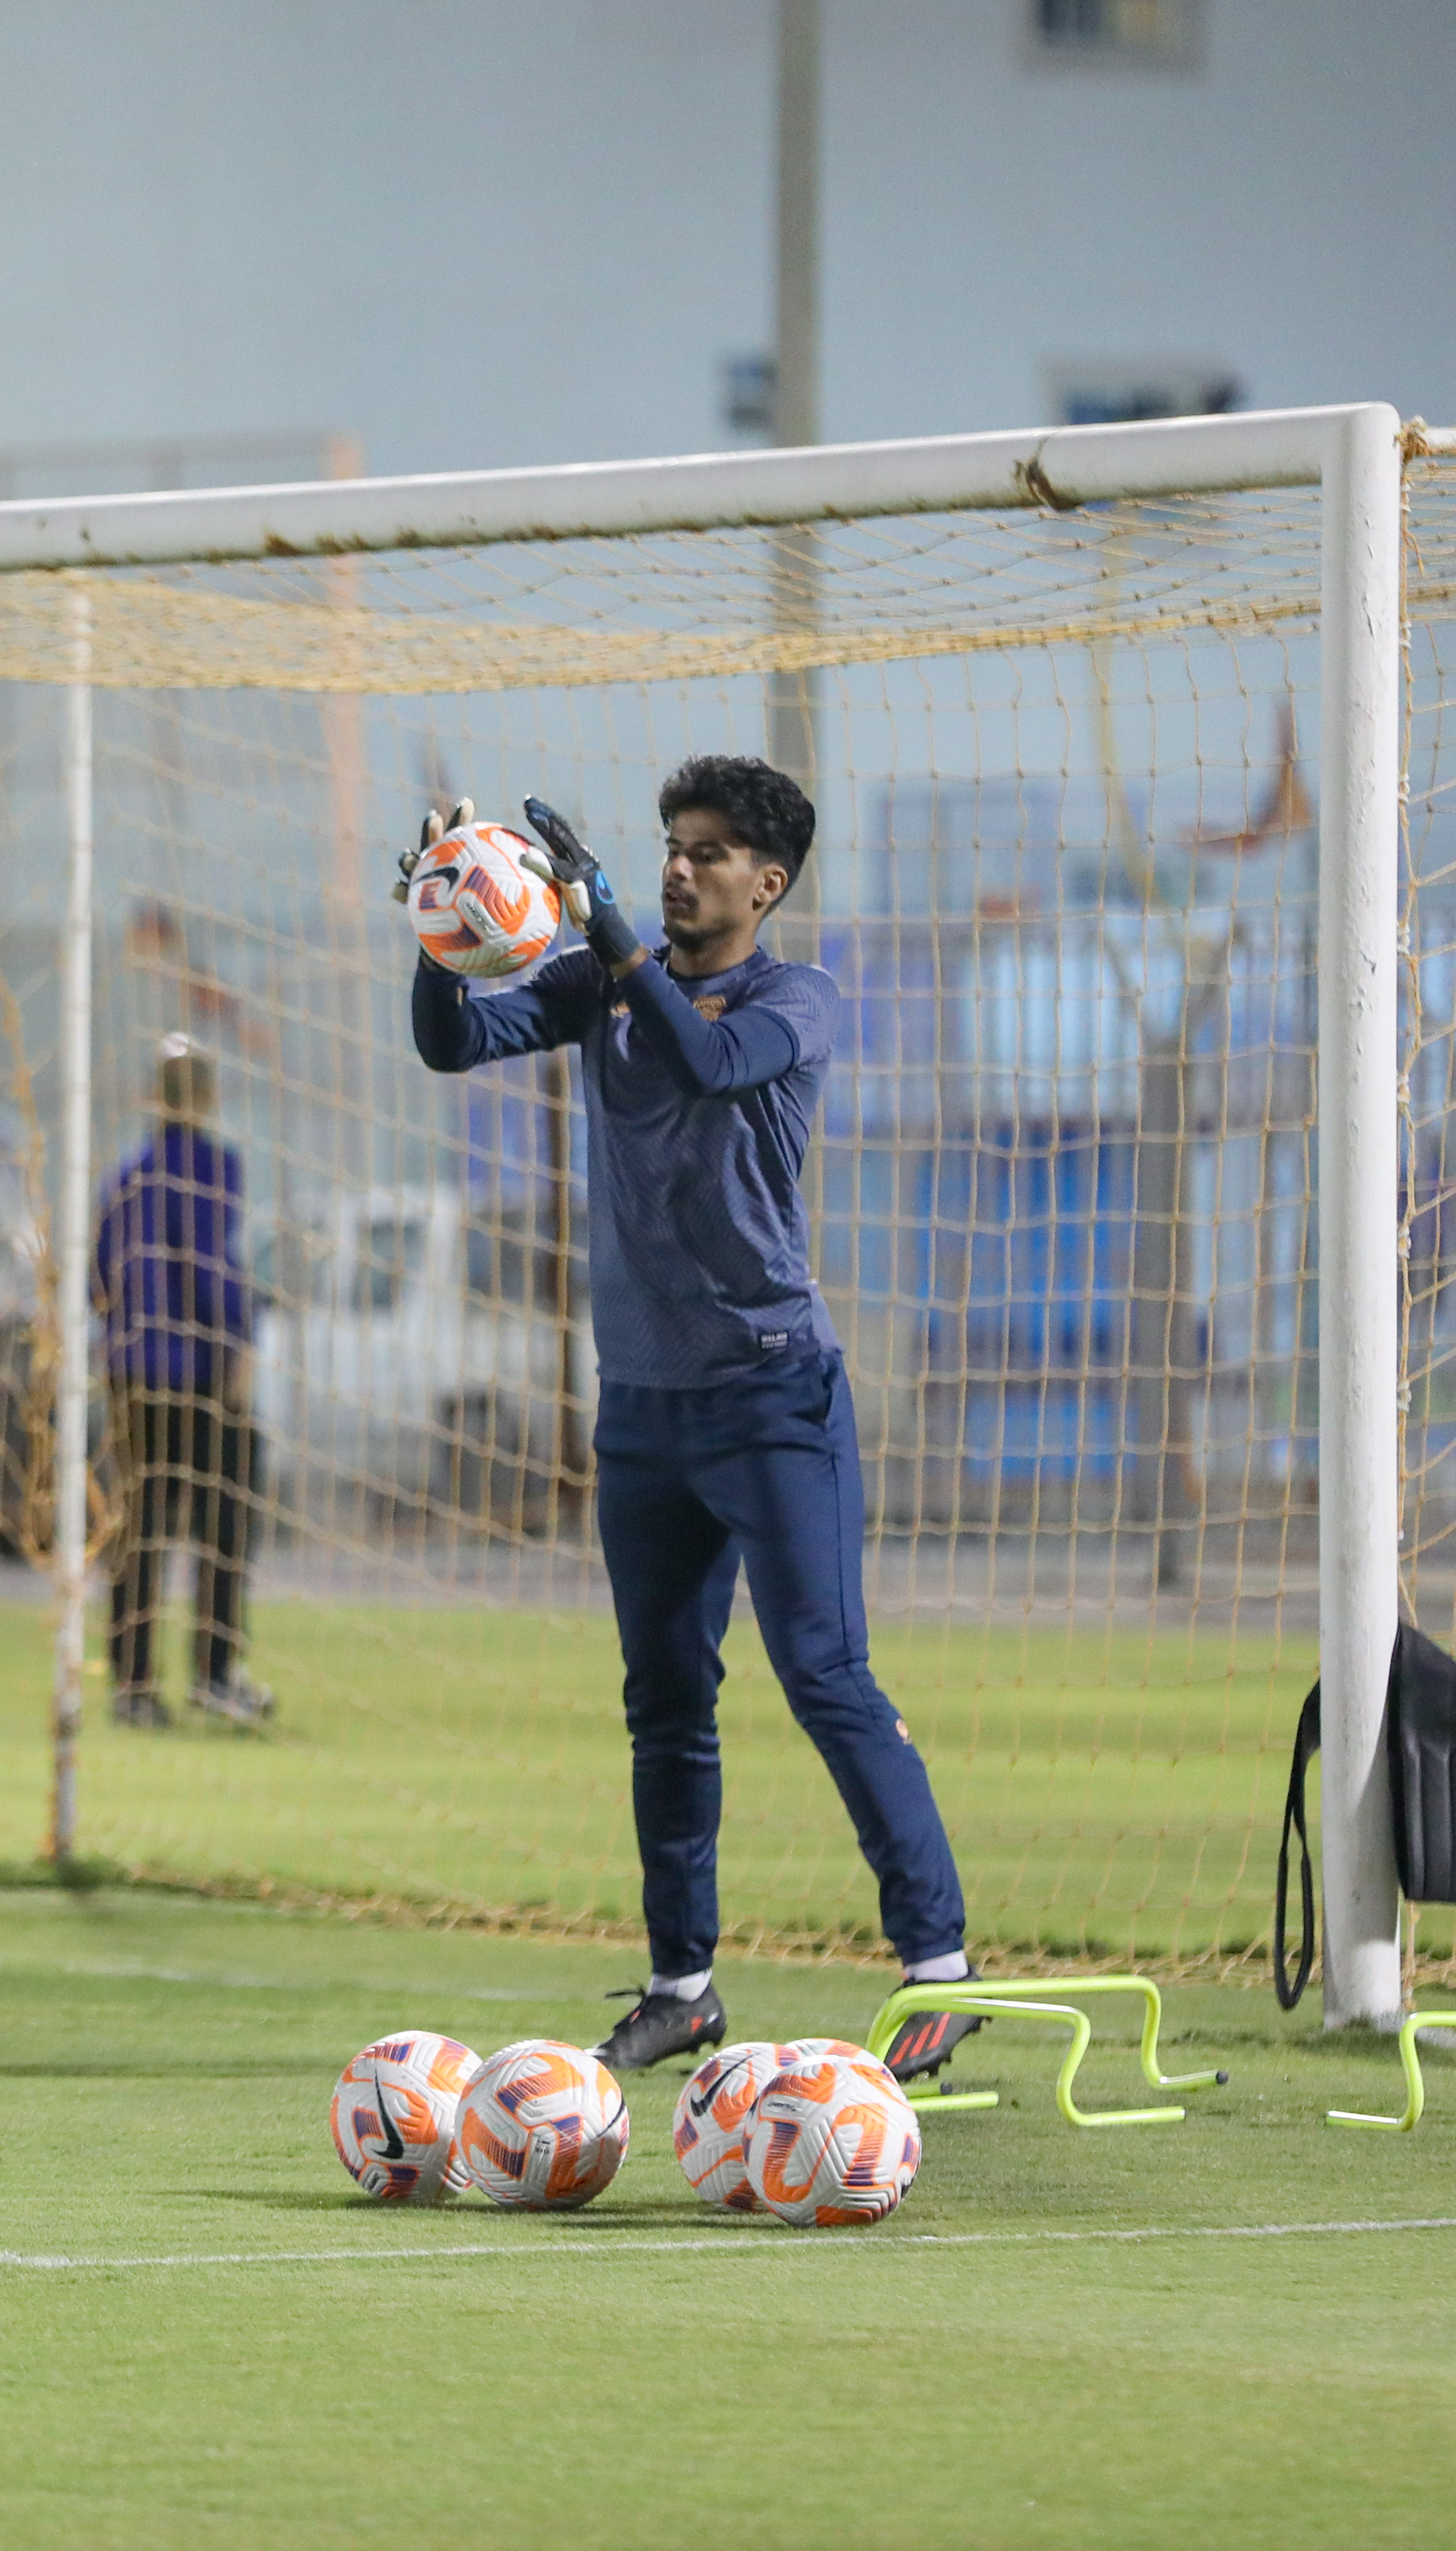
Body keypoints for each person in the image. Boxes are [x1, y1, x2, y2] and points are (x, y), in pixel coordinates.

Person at [403, 765, 975, 2080]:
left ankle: (938, 1964)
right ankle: (682, 1984)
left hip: (772, 1396)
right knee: (663, 1698)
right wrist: (441, 934)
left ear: (764, 884)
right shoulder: (601, 979)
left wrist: (602, 926)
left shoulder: (793, 999)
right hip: (643, 1408)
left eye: (707, 854)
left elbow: (705, 1059)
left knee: (824, 1673)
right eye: (669, 847)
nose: (678, 868)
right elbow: (452, 1043)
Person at [93, 1035, 270, 1729]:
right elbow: (208, 1261)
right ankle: (216, 1674)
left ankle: (132, 1686)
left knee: (140, 1527)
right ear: (208, 1096)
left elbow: (96, 1278)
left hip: (130, 1371)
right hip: (194, 1370)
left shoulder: (124, 1173)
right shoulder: (213, 1164)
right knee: (224, 1520)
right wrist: (237, 1345)